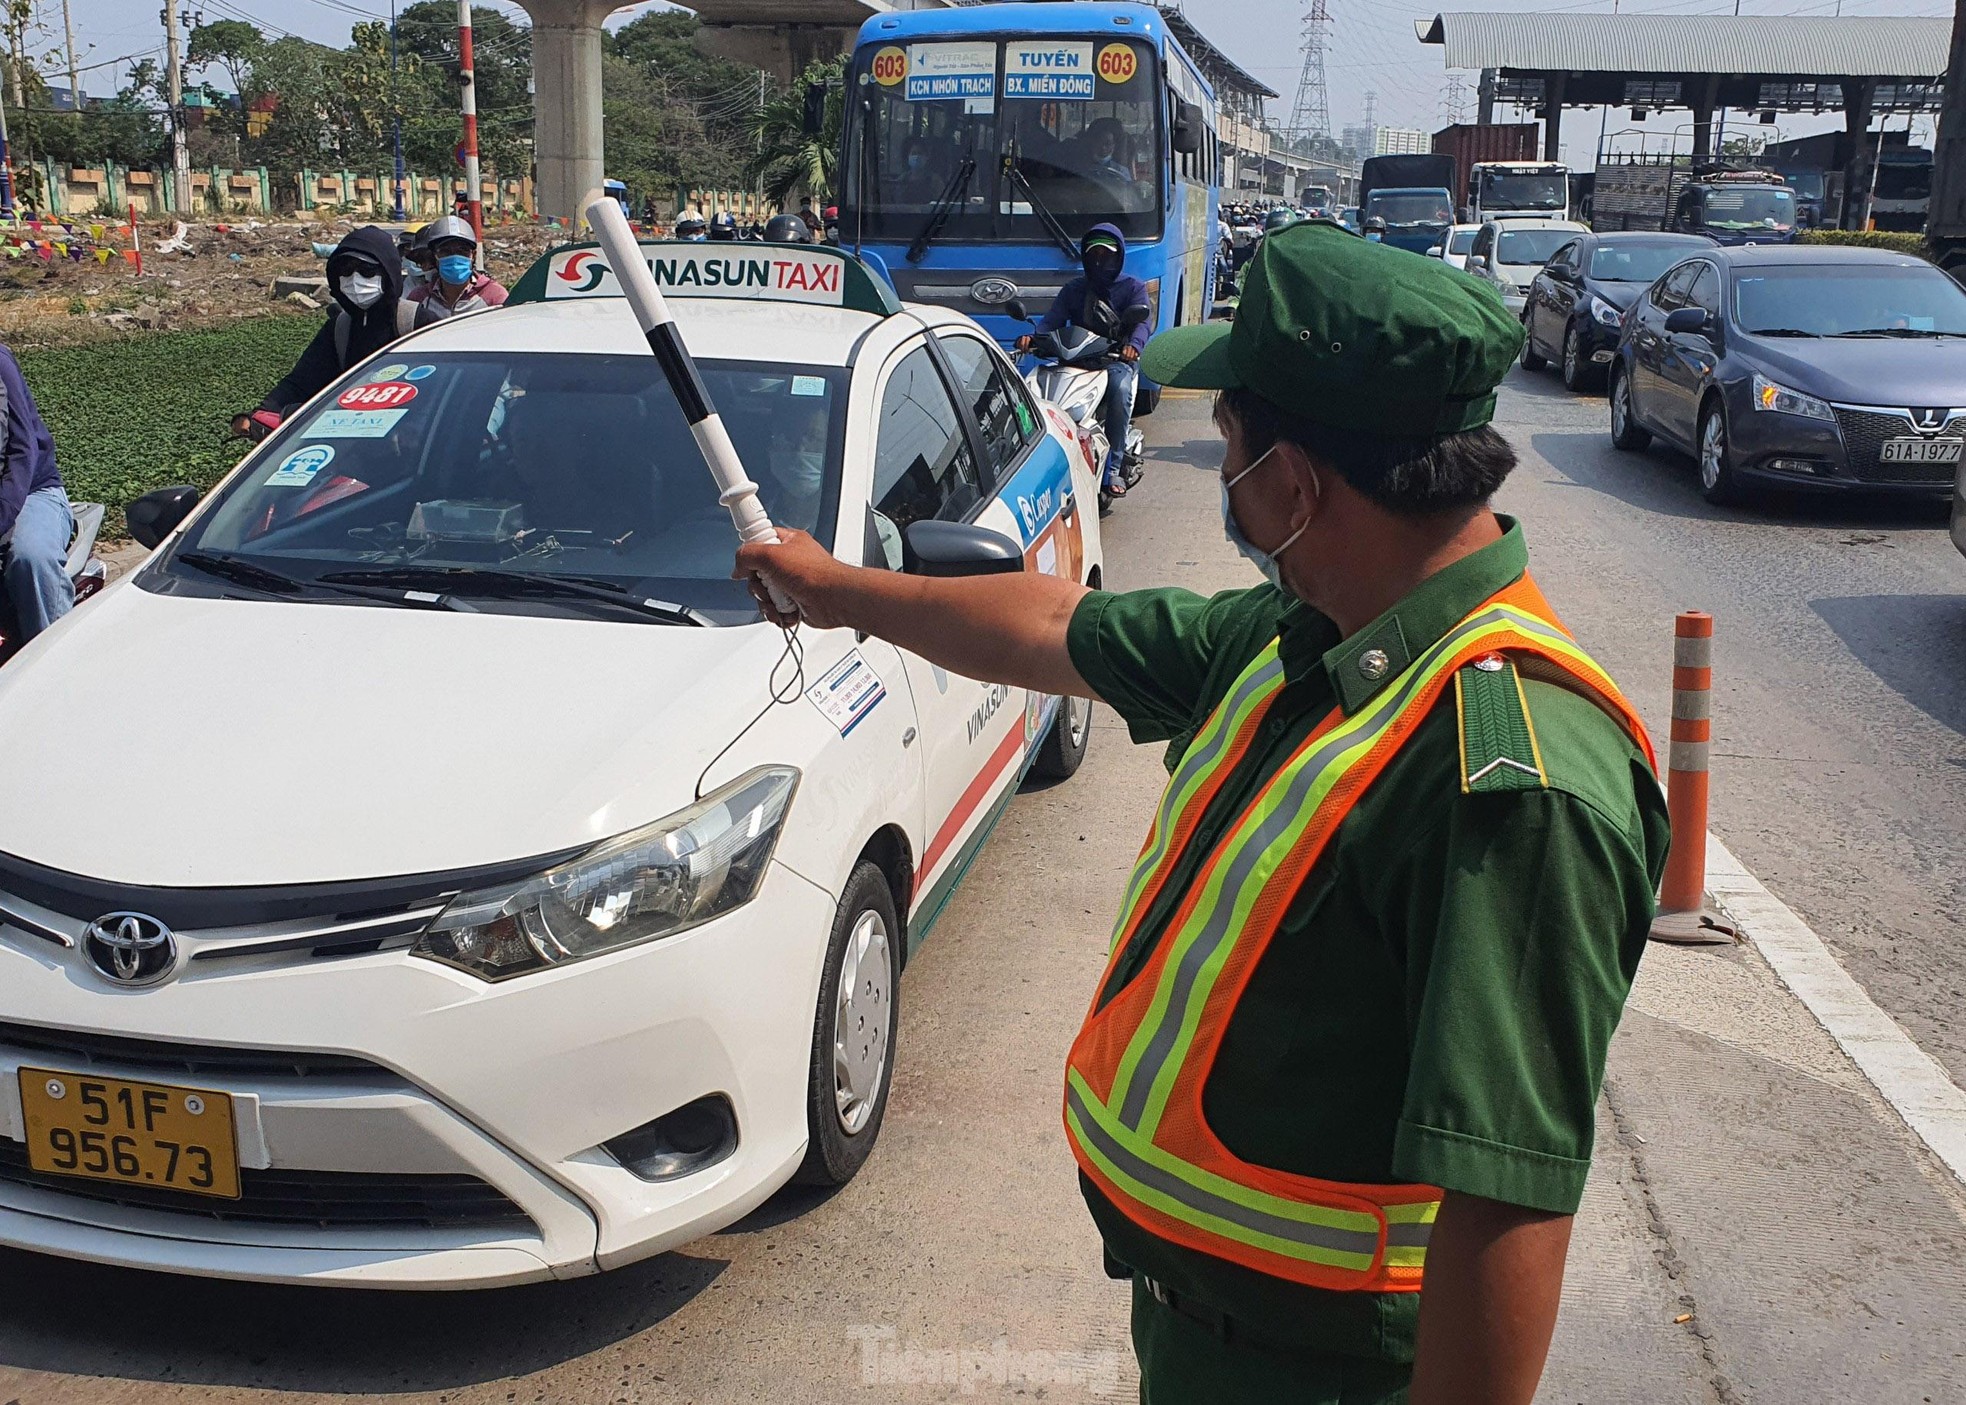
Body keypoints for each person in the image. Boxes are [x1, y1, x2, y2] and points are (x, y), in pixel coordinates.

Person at [736, 221, 1668, 1405]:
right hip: (1200, 1332)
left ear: (1290, 482)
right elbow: (1044, 624)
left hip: (1321, 1378)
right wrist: (834, 590)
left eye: (1222, 438)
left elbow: (1508, 1193)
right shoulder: (1298, 642)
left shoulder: (1513, 781)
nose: (1215, 468)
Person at [1018, 224, 1150, 497]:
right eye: (1094, 255)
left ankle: (1113, 466)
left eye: (1107, 255)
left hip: (1112, 361)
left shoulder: (1133, 288)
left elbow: (1143, 324)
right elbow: (1051, 321)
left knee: (1121, 389)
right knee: (1035, 388)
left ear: (1119, 256)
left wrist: (1133, 346)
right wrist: (1033, 338)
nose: (1100, 261)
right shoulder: (1074, 289)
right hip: (1076, 361)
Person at [242, 226, 417, 432]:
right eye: (346, 271)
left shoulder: (416, 321)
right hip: (353, 435)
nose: (355, 279)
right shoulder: (340, 328)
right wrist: (258, 414)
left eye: (367, 271)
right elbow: (301, 381)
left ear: (388, 273)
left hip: (414, 438)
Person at [0, 341, 73, 642]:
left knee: (32, 558)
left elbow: (22, 450)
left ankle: (55, 665)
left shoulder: (0, 362)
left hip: (31, 490)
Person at [407, 215, 507, 324]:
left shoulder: (494, 296)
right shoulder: (419, 298)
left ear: (473, 255)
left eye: (462, 251)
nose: (454, 257)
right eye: (445, 251)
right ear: (434, 256)